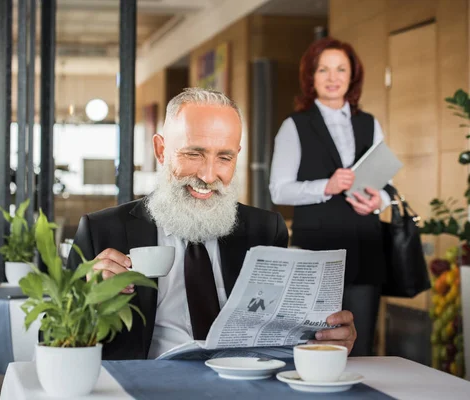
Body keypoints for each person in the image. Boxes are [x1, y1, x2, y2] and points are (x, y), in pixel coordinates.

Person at [70, 87, 357, 360]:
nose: (208, 176)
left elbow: (279, 336)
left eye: (224, 157)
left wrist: (326, 338)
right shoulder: (102, 231)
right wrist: (85, 302)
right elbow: (51, 338)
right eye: (194, 154)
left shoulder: (266, 230)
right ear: (161, 150)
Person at [269, 37, 388, 357]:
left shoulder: (370, 123)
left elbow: (386, 186)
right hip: (317, 249)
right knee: (317, 339)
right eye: (323, 70)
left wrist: (380, 201)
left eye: (340, 69)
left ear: (352, 76)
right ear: (311, 77)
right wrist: (326, 186)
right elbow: (279, 189)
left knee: (362, 343)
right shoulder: (294, 125)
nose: (333, 77)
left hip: (365, 244)